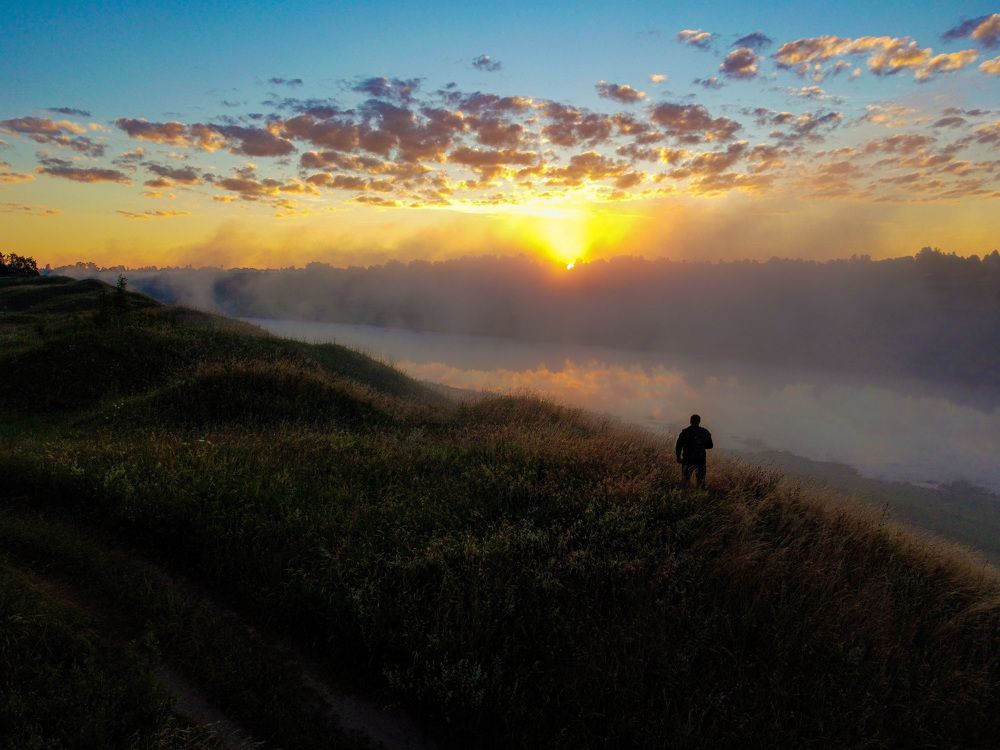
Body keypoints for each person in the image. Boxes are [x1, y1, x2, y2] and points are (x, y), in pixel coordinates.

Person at [675, 414, 713, 489]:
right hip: (700, 460)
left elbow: (679, 445)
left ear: (690, 421)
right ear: (699, 422)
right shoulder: (705, 432)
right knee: (700, 480)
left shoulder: (685, 432)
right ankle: (699, 495)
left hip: (687, 459)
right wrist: (701, 445)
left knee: (685, 479)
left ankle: (684, 494)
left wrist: (678, 457)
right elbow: (710, 446)